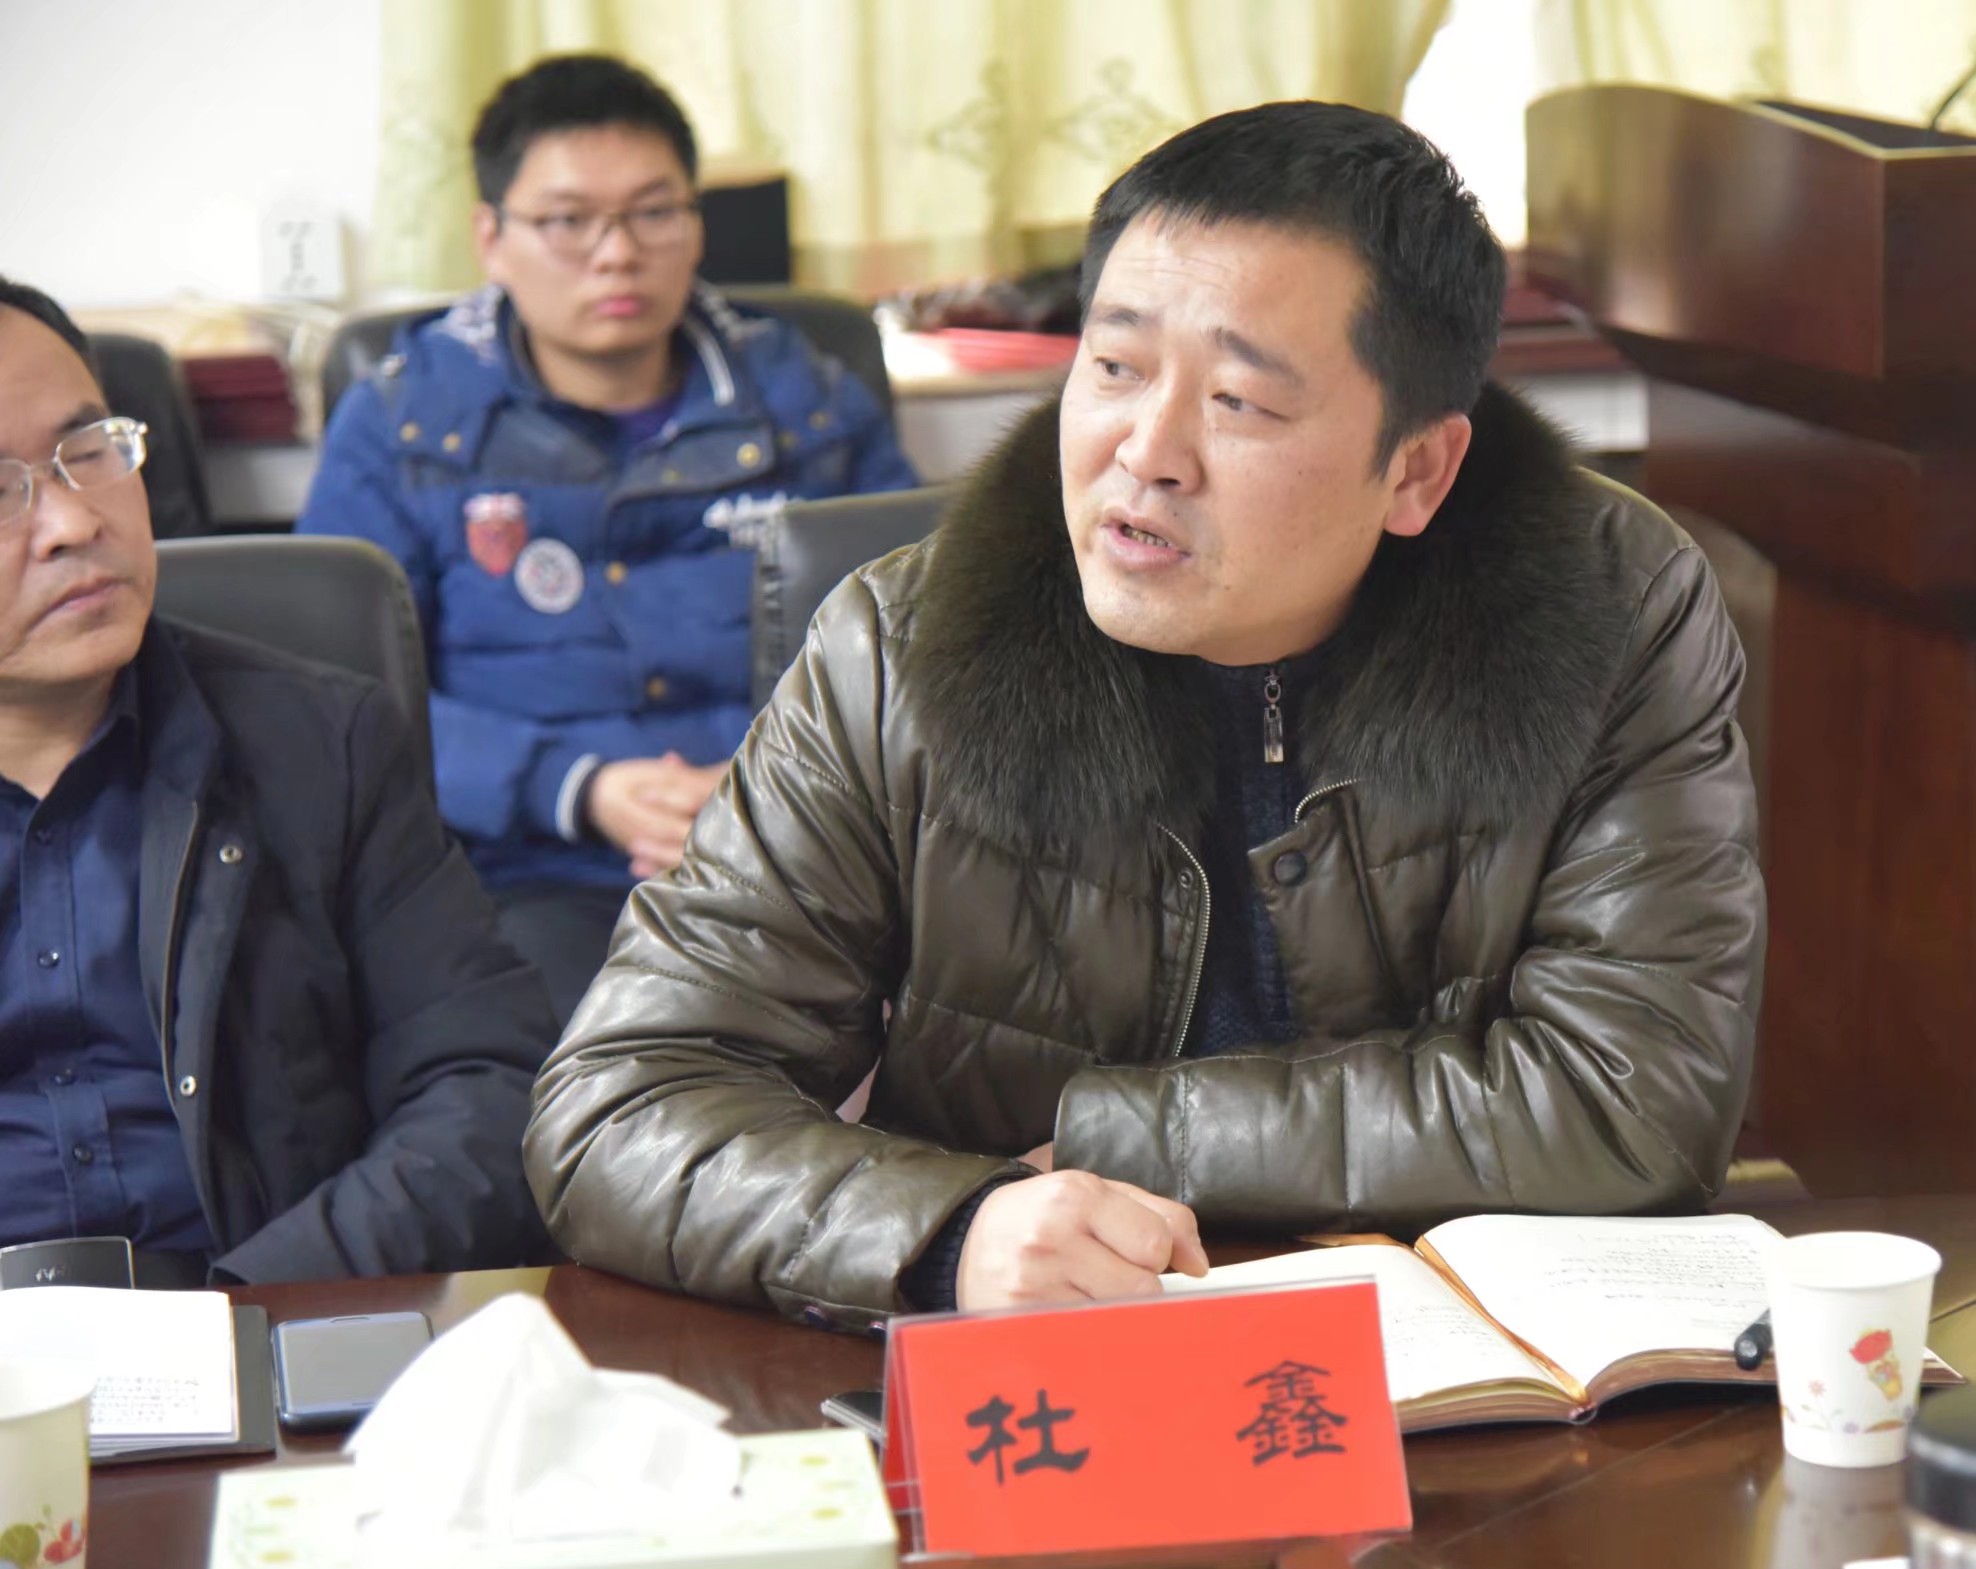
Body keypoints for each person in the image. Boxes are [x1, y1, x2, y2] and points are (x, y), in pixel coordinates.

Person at [524, 102, 1764, 1328]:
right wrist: (948, 1230)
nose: (1145, 452)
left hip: (1460, 1373)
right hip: (1049, 1372)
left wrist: (1113, 1132)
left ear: (1415, 469)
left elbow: (1633, 1097)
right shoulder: (895, 653)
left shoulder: (1609, 611)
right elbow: (621, 1105)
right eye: (1113, 367)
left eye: (1238, 400)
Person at [299, 54, 917, 1017]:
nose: (617, 253)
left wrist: (776, 784)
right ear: (492, 238)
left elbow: (919, 636)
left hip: (810, 840)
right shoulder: (405, 420)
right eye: (568, 220)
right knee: (582, 1054)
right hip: (527, 867)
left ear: (696, 224)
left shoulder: (804, 396)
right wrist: (579, 786)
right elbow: (341, 695)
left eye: (654, 212)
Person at [0, 278, 556, 1284]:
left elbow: (485, 1086)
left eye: (89, 449)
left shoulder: (321, 741)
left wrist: (243, 1311)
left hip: (275, 1314)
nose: (74, 520)